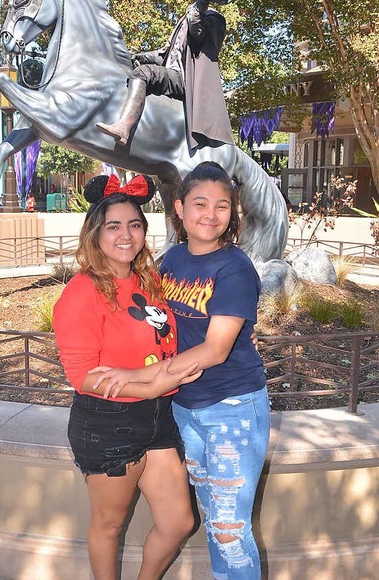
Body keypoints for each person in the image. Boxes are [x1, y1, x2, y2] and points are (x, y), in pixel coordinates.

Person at [91, 162, 270, 580]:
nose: (210, 214)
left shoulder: (234, 267)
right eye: (200, 203)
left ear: (232, 212)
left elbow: (215, 350)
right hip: (183, 408)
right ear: (180, 208)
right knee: (213, 517)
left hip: (231, 407)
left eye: (221, 206)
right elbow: (145, 317)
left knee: (229, 529)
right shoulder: (171, 260)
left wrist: (139, 377)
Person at [52, 174, 201, 580]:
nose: (126, 235)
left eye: (134, 224)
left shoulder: (149, 280)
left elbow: (175, 334)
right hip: (108, 422)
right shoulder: (81, 292)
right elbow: (81, 376)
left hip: (158, 419)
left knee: (178, 522)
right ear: (95, 233)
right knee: (109, 525)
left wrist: (238, 337)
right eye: (113, 226)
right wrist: (153, 385)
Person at [96, 0, 234, 149]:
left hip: (188, 81)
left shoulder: (215, 18)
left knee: (143, 72)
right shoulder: (188, 16)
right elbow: (165, 54)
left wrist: (201, 4)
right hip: (172, 74)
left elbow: (197, 32)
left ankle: (123, 127)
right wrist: (140, 57)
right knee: (137, 70)